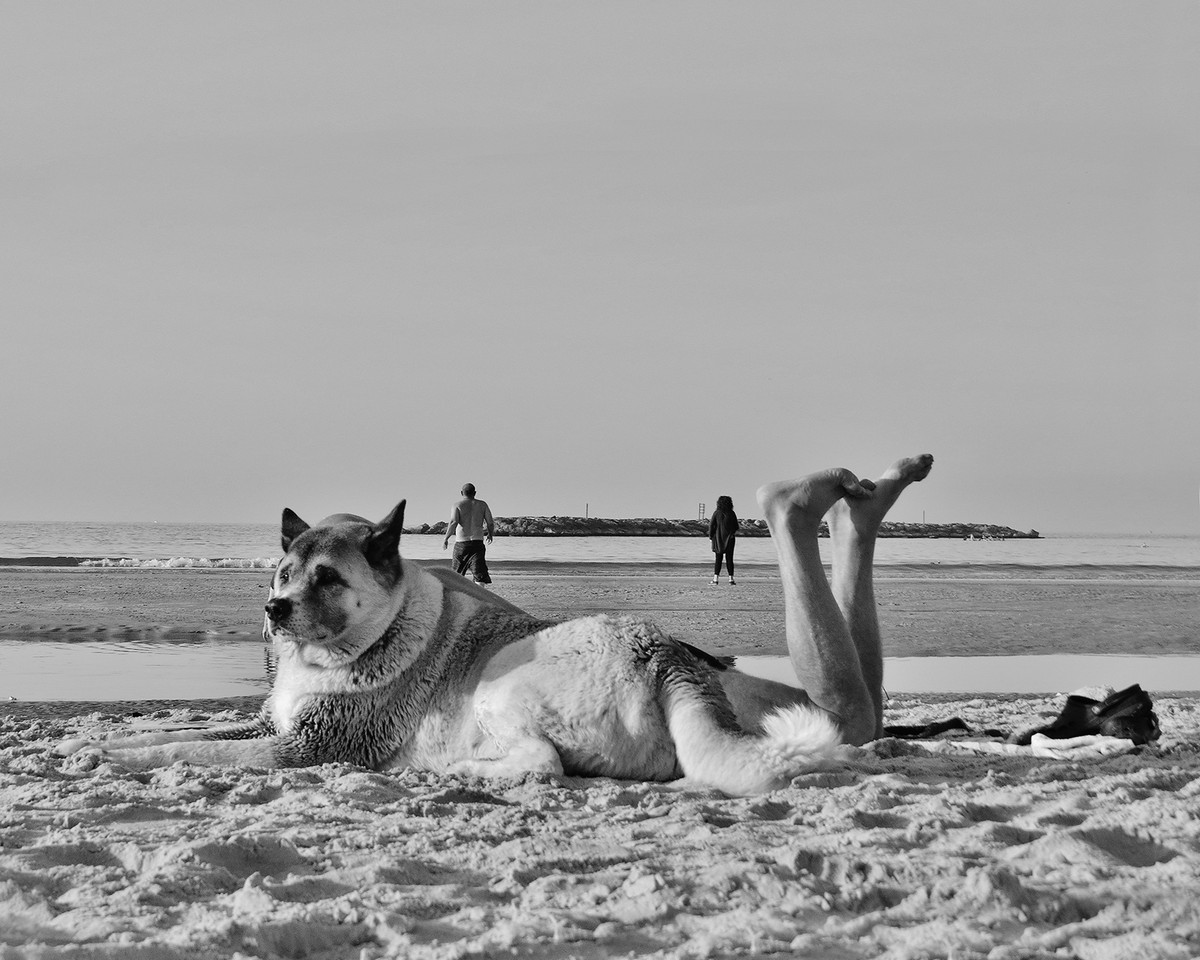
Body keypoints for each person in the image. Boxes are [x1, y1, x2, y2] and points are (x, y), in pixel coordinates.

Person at [443, 482, 495, 584]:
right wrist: (490, 534)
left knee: (456, 573)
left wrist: (446, 538)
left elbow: (454, 522)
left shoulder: (457, 505)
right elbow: (490, 523)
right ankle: (480, 594)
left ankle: (456, 594)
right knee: (479, 572)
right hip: (477, 542)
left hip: (462, 543)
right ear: (475, 493)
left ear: (461, 493)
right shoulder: (482, 505)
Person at [708, 495, 739, 585]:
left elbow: (711, 526)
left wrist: (710, 537)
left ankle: (715, 579)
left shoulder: (717, 513)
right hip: (730, 539)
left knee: (718, 559)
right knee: (729, 559)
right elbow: (736, 527)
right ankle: (731, 580)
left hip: (718, 539)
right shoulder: (732, 513)